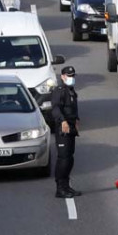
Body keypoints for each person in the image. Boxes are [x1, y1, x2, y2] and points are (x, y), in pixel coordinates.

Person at [51, 66, 80, 198]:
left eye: (73, 75)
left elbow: (73, 109)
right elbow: (56, 108)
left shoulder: (71, 91)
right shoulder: (60, 91)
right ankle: (60, 188)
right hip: (63, 129)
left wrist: (76, 120)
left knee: (69, 158)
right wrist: (62, 121)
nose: (71, 78)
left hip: (71, 128)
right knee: (63, 158)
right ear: (62, 76)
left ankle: (67, 186)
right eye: (69, 76)